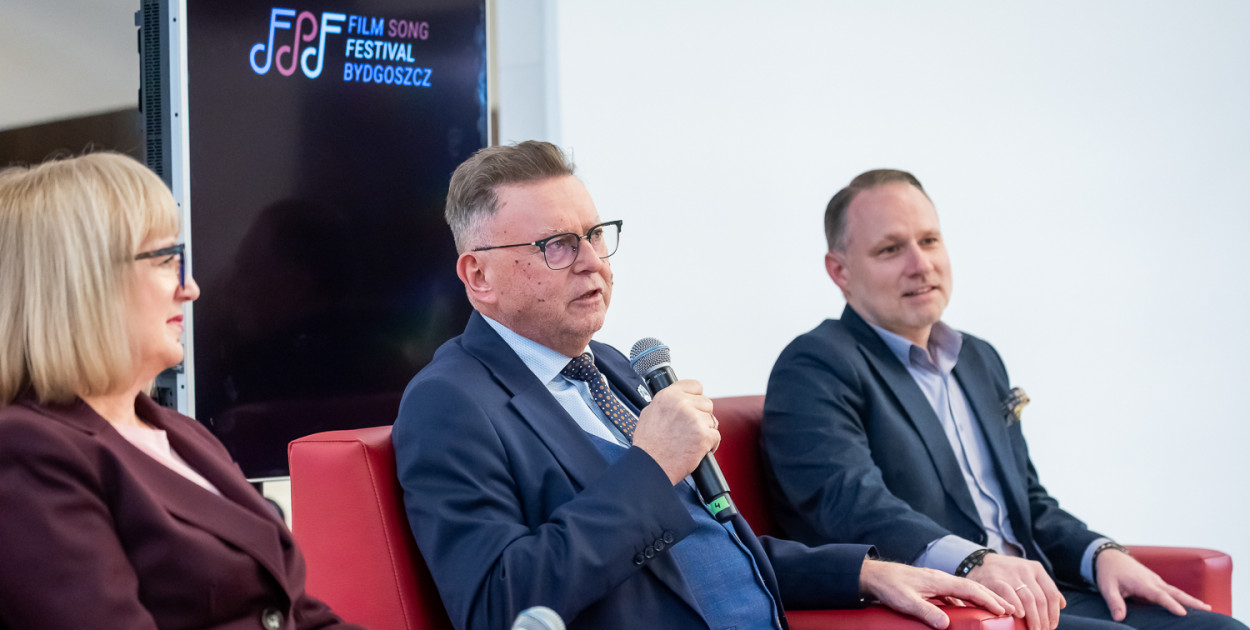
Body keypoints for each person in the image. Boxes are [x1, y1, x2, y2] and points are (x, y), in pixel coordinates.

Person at [392, 142, 1013, 630]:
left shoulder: (608, 365)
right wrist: (651, 466)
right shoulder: (451, 402)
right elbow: (501, 606)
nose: (592, 261)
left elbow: (705, 544)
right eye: (557, 245)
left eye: (596, 234)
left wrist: (865, 572)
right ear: (479, 275)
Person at [761, 169, 1247, 630]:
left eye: (929, 240)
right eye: (890, 249)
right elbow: (850, 505)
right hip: (954, 608)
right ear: (840, 271)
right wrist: (973, 562)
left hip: (1041, 592)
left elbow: (1028, 505)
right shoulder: (815, 365)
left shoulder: (978, 358)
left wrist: (1101, 553)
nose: (921, 264)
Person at [0, 153, 364, 630]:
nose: (191, 287)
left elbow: (298, 612)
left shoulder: (184, 434)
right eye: (167, 259)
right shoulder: (27, 450)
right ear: (82, 282)